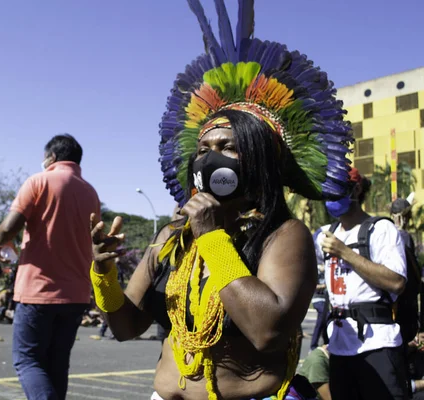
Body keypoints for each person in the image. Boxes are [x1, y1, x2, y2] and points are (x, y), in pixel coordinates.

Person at [89, 1, 354, 399]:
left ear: (259, 158)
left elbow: (268, 332)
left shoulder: (285, 235)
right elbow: (127, 328)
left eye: (226, 146)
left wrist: (213, 239)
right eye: (203, 147)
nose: (209, 157)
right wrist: (104, 273)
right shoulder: (172, 237)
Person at [0, 133, 101, 400]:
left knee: (28, 361)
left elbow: (9, 227)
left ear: (52, 157)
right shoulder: (91, 192)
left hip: (38, 290)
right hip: (76, 294)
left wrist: (0, 244)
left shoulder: (38, 181)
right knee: (57, 364)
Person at [316, 168, 408, 399]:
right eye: (326, 192)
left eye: (336, 190)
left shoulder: (381, 230)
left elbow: (396, 281)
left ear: (356, 189)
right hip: (339, 346)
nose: (330, 197)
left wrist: (345, 252)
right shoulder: (324, 234)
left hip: (377, 343)